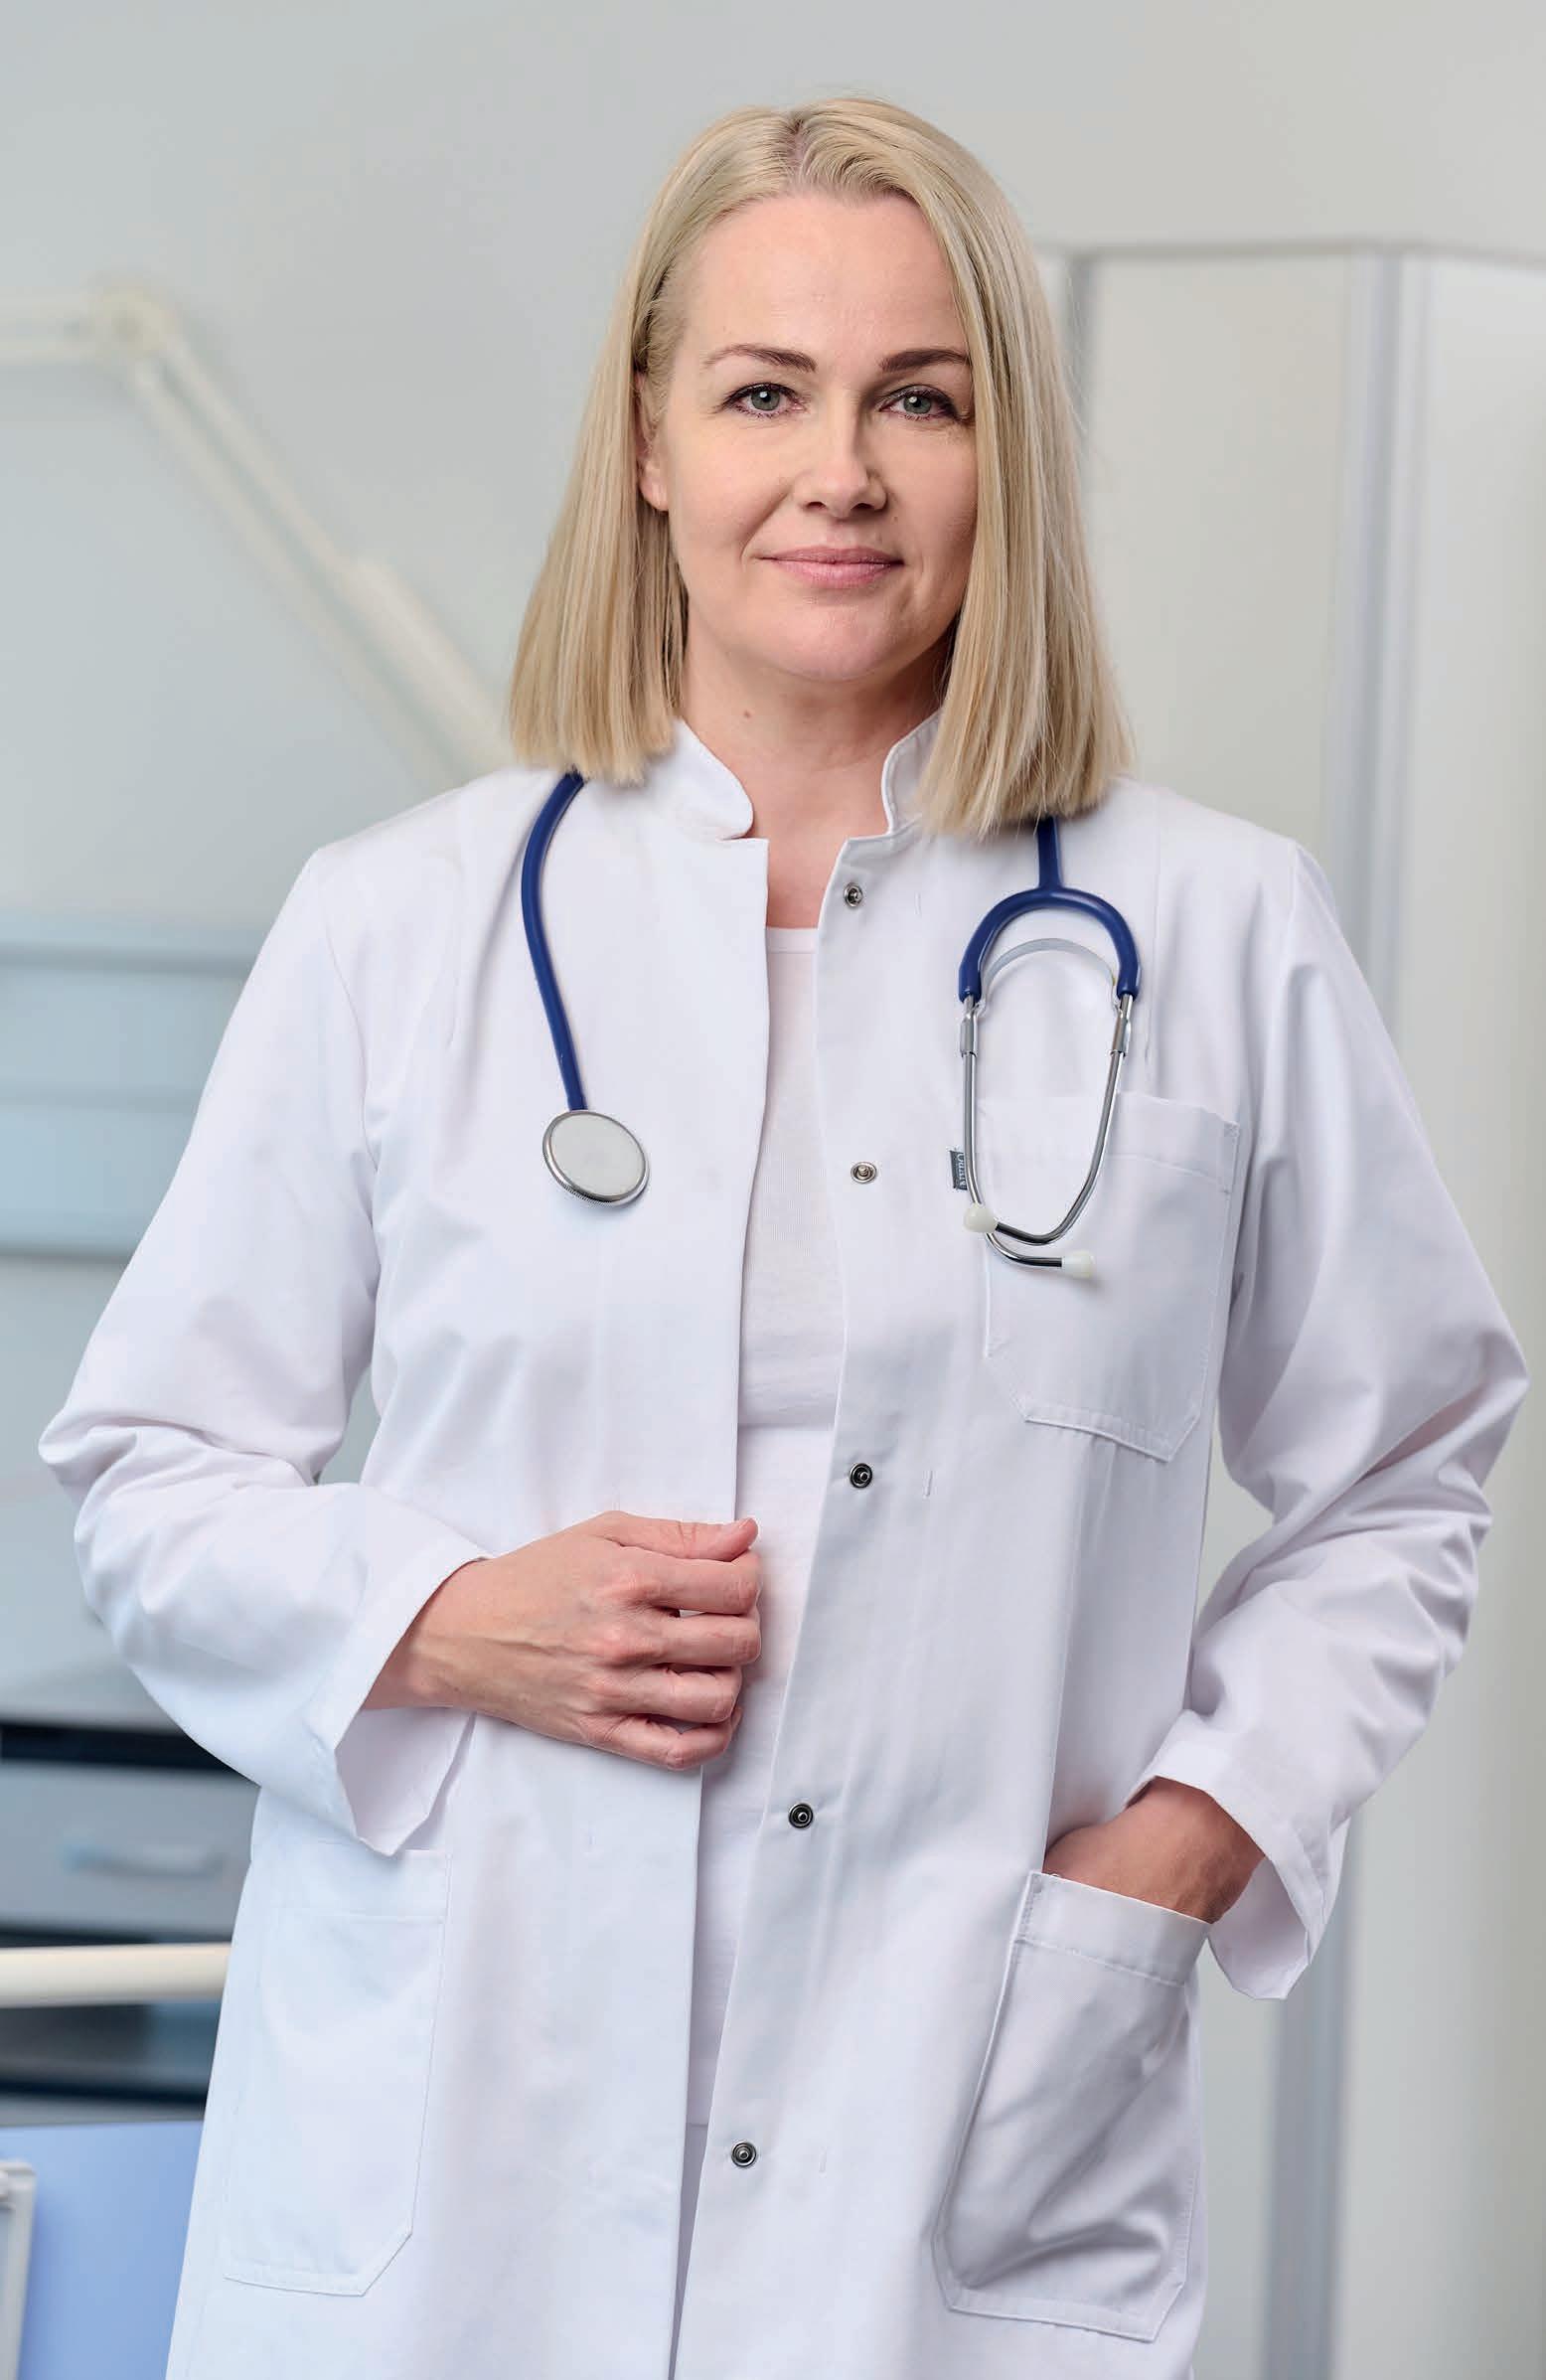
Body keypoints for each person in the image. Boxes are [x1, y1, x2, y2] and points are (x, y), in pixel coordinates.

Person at [36, 91, 1527, 2380]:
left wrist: (1202, 1827)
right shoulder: (404, 925)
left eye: (917, 399)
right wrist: (444, 1616)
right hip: (457, 2158)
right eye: (762, 395)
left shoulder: (1215, 933)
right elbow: (146, 1472)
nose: (838, 473)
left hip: (960, 2140)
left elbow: (1410, 1459)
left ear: (1002, 454)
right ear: (648, 442)